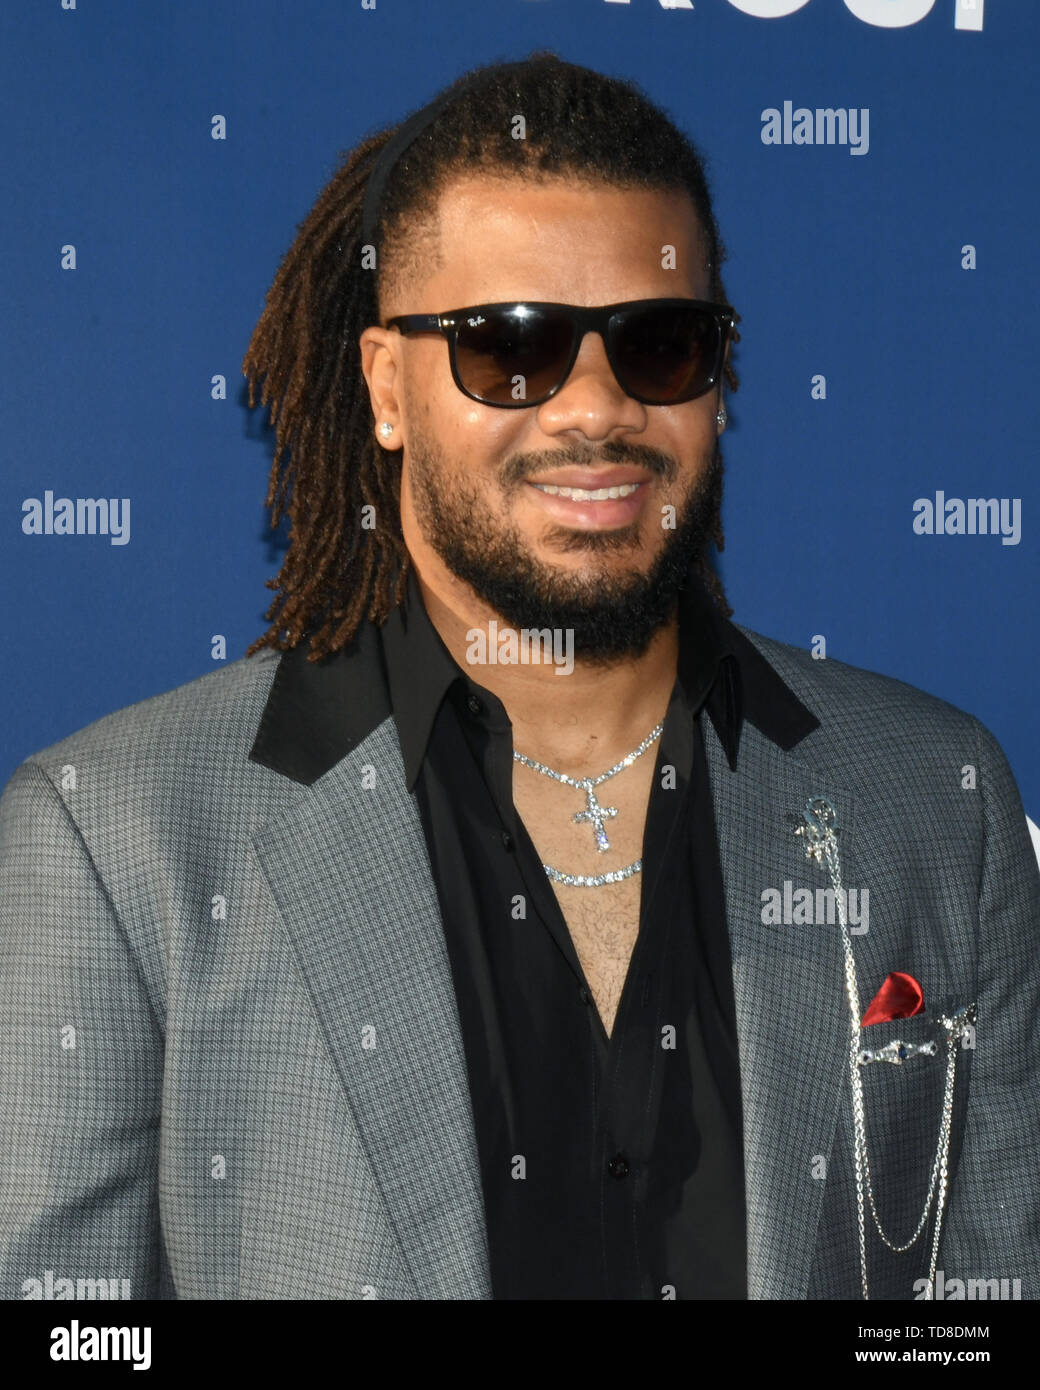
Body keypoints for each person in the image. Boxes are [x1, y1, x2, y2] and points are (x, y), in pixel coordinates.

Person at [1, 54, 1037, 1303]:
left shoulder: (936, 797)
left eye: (659, 345)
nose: (594, 409)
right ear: (388, 385)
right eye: (512, 350)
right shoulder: (117, 837)